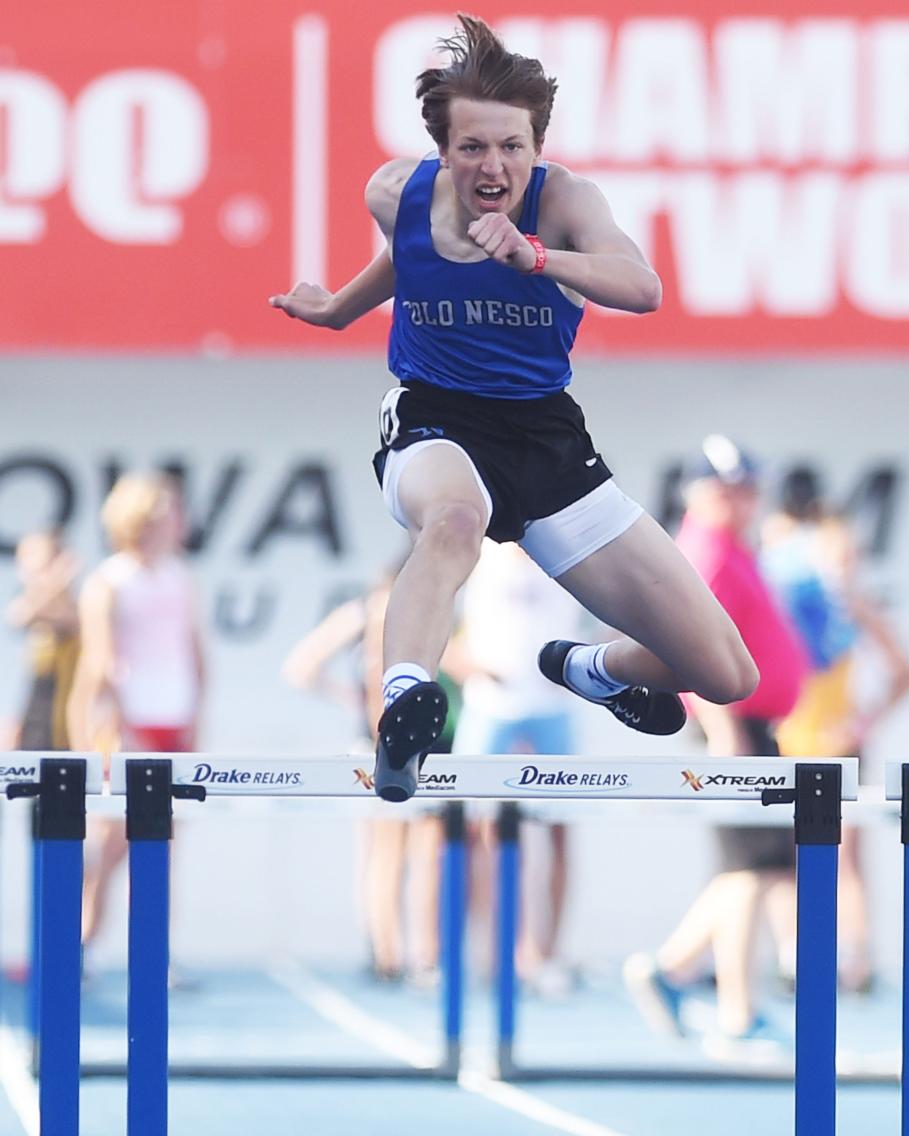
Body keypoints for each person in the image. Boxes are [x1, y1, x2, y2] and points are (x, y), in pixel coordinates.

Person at [270, 14, 758, 802]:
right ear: (443, 151)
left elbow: (644, 288)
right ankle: (405, 705)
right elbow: (408, 257)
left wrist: (536, 257)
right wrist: (338, 310)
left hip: (545, 438)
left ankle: (589, 667)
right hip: (435, 419)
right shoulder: (394, 191)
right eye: (472, 148)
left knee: (727, 674)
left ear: (537, 148)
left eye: (511, 148)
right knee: (454, 521)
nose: (493, 166)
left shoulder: (565, 202)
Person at [624, 437, 810, 1044]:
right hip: (733, 728)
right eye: (733, 489)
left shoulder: (731, 548)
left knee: (760, 868)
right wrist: (724, 729)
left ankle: (685, 975)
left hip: (751, 728)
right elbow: (691, 645)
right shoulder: (704, 551)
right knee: (750, 869)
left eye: (751, 488)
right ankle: (716, 995)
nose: (746, 500)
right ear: (702, 493)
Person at [763, 468, 909, 991]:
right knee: (786, 861)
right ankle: (800, 958)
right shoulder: (775, 602)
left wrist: (859, 723)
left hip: (830, 742)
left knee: (841, 855)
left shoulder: (845, 605)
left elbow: (905, 672)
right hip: (788, 740)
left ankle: (853, 959)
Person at [283, 568, 458, 984]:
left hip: (410, 739)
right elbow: (301, 667)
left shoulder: (384, 607)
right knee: (399, 851)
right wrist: (351, 697)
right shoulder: (391, 607)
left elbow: (301, 668)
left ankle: (395, 955)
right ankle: (411, 956)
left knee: (404, 852)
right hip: (395, 740)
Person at [66, 473, 205, 955]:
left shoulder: (180, 577)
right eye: (167, 512)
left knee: (165, 846)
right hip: (129, 726)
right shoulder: (108, 580)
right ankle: (80, 941)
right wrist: (111, 732)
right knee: (111, 843)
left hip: (175, 721)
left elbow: (195, 652)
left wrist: (197, 723)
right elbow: (100, 664)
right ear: (141, 519)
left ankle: (154, 954)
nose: (176, 521)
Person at [450, 540, 583, 994]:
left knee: (560, 830)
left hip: (553, 707)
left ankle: (547, 955)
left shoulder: (567, 545)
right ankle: (496, 952)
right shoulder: (477, 550)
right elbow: (438, 629)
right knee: (484, 833)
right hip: (492, 707)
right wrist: (476, 670)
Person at [6, 530, 80, 751]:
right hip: (36, 713)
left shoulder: (76, 604)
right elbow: (20, 616)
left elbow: (72, 622)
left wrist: (56, 580)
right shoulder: (33, 603)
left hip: (67, 715)